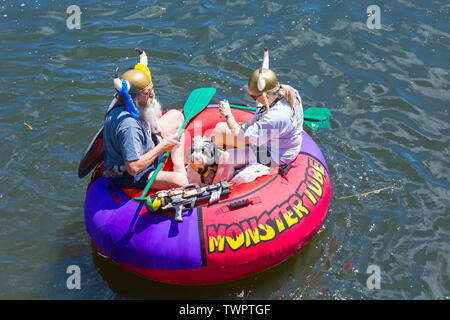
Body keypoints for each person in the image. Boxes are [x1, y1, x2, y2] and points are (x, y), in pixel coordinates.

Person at [209, 48, 304, 181]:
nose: (253, 100)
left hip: (276, 153)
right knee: (220, 128)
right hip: (272, 137)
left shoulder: (275, 117)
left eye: (254, 97)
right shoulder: (286, 91)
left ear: (265, 96)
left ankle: (215, 187)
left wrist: (228, 115)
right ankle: (207, 166)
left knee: (227, 158)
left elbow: (243, 138)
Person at [103, 49, 188, 189]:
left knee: (177, 117)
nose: (153, 94)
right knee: (181, 181)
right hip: (132, 174)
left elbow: (148, 119)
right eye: (146, 93)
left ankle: (179, 167)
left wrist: (161, 134)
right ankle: (181, 176)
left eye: (151, 89)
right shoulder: (129, 126)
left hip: (143, 144)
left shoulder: (121, 99)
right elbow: (133, 168)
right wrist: (162, 147)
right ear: (133, 97)